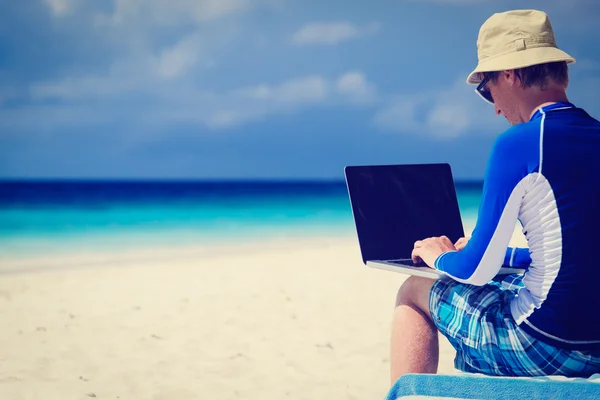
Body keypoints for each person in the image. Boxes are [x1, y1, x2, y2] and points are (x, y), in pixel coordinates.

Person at [390, 9, 600, 385]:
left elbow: (475, 271)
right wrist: (506, 255)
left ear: (510, 74)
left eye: (487, 92)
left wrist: (440, 256)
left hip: (548, 345)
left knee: (415, 289)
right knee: (499, 289)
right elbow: (579, 250)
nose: (497, 108)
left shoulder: (519, 144)